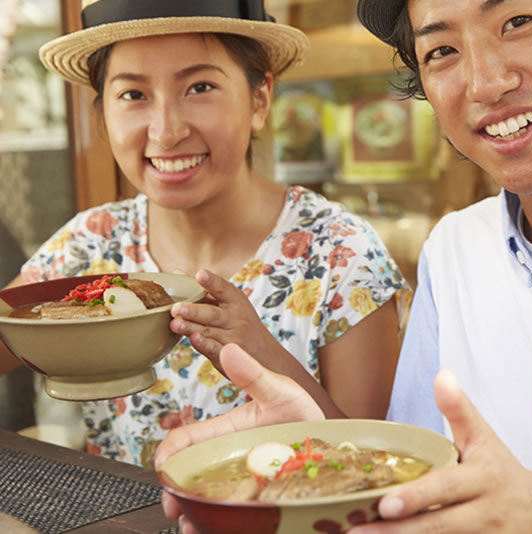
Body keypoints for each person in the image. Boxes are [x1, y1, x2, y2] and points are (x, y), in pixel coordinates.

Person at [160, 0, 532, 531]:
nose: (483, 83)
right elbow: (422, 491)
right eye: (442, 50)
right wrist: (329, 456)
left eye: (518, 23)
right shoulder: (453, 250)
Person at [0, 0, 408, 468]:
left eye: (199, 86)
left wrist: (263, 353)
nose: (167, 131)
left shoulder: (341, 253)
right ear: (102, 114)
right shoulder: (91, 243)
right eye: (133, 95)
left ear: (260, 100)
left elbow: (376, 470)